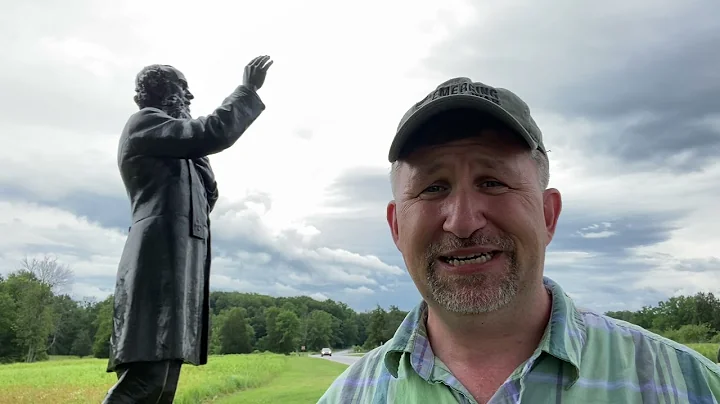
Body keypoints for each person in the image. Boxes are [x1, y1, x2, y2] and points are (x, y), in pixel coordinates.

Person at [318, 77, 720, 403]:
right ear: (396, 227)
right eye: (432, 188)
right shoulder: (348, 397)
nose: (461, 222)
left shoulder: (689, 386)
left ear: (548, 215)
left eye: (492, 182)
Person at [103, 55, 273, 403]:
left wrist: (199, 156)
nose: (191, 97)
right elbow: (209, 132)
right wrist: (246, 91)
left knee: (164, 381)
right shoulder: (144, 124)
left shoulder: (175, 147)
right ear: (164, 92)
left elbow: (206, 193)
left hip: (179, 263)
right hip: (156, 261)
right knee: (143, 381)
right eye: (183, 88)